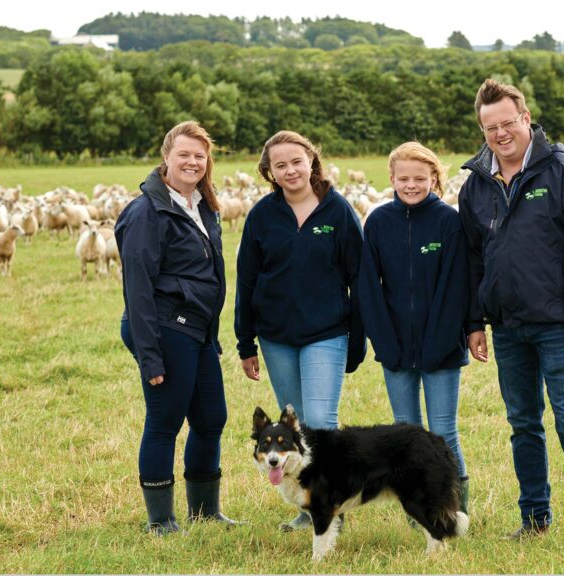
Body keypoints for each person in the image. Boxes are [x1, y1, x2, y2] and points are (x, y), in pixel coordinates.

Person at [457, 79, 564, 548]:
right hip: (507, 327)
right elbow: (472, 259)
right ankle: (534, 518)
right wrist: (474, 322)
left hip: (559, 325)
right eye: (491, 127)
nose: (501, 134)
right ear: (482, 129)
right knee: (523, 423)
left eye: (508, 123)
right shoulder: (476, 186)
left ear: (525, 119)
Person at [234, 130, 366, 531]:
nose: (290, 170)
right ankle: (308, 508)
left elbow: (358, 279)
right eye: (280, 165)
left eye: (296, 161)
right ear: (269, 172)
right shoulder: (261, 216)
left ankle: (330, 510)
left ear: (312, 161)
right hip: (276, 336)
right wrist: (245, 342)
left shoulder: (338, 212)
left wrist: (357, 340)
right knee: (294, 427)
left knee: (321, 423)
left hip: (326, 332)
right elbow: (246, 279)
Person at [115, 121, 241, 535]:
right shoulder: (147, 212)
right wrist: (150, 356)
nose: (192, 162)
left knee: (211, 419)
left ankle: (205, 512)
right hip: (164, 328)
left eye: (199, 156)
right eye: (184, 154)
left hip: (196, 330)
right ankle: (161, 519)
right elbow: (138, 290)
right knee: (165, 420)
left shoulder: (200, 206)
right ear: (166, 156)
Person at [357, 142, 470, 516]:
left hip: (442, 347)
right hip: (395, 348)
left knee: (443, 431)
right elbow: (369, 289)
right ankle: (420, 508)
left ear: (435, 179)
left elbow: (455, 287)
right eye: (403, 178)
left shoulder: (448, 222)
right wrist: (384, 341)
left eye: (420, 178)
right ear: (391, 178)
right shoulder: (377, 222)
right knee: (406, 432)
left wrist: (441, 343)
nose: (411, 185)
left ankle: (455, 506)